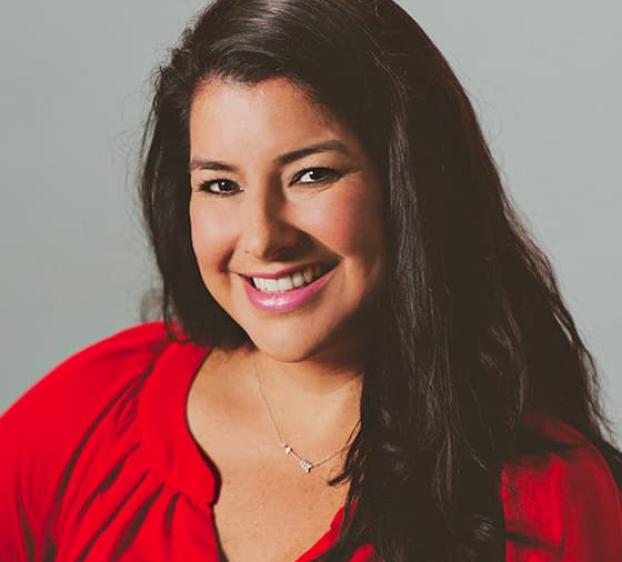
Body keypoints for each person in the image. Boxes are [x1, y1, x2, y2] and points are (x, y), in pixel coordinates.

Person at [1, 0, 621, 560]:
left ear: (407, 183)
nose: (264, 236)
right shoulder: (85, 416)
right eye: (220, 185)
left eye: (311, 175)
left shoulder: (543, 498)